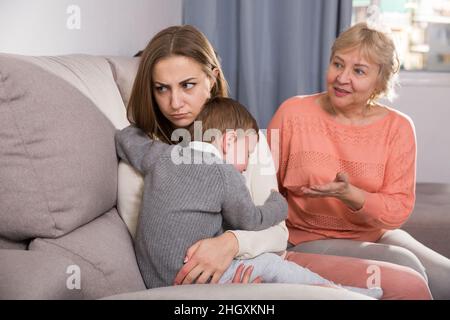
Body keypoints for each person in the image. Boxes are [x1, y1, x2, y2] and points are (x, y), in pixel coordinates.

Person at [126, 24, 432, 299]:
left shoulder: (246, 142)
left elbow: (277, 230)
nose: (175, 103)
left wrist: (232, 243)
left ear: (212, 79)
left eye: (188, 85)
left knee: (409, 276)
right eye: (161, 88)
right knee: (404, 283)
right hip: (223, 275)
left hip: (260, 257)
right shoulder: (152, 150)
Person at [116, 96, 383, 298]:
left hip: (153, 281)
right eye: (249, 151)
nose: (246, 164)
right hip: (192, 278)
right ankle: (343, 294)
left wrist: (140, 125)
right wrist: (278, 203)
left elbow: (125, 139)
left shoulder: (162, 156)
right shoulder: (224, 173)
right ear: (229, 141)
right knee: (271, 266)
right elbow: (251, 220)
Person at [267, 22, 448, 299]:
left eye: (359, 71)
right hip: (305, 238)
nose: (342, 77)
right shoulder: (293, 113)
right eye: (338, 64)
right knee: (407, 269)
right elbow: (264, 189)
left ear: (380, 81)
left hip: (374, 234)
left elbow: (398, 209)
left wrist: (353, 196)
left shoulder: (397, 128)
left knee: (445, 278)